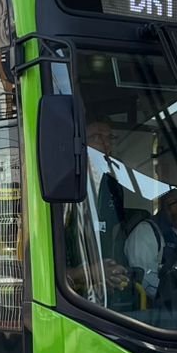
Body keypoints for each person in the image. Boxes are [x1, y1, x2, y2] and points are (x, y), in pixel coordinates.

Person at [64, 118, 135, 300]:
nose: (105, 144)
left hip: (101, 290)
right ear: (79, 143)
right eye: (96, 137)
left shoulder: (113, 185)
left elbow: (114, 235)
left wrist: (111, 272)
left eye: (109, 138)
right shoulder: (64, 184)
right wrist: (88, 273)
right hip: (65, 292)